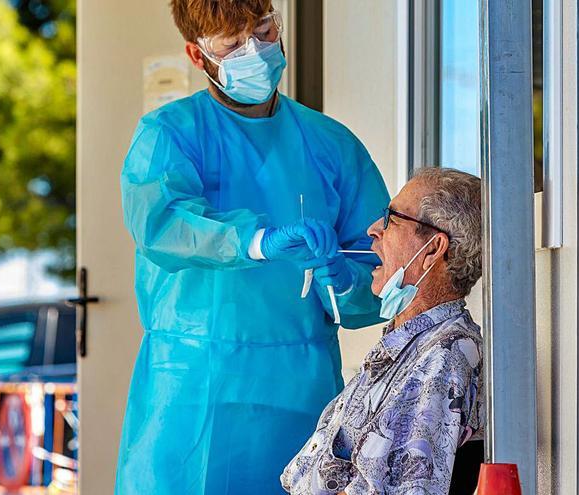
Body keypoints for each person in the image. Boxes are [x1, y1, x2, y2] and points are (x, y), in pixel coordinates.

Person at [114, 0, 390, 493]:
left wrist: (347, 283)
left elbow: (383, 266)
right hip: (192, 392)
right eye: (233, 45)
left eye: (263, 32)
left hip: (299, 388)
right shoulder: (168, 135)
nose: (256, 52)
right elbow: (163, 225)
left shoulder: (331, 144)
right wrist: (256, 242)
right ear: (198, 57)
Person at [281, 168, 485, 495]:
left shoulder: (444, 357)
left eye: (392, 218)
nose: (374, 230)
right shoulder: (406, 345)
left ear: (433, 249)